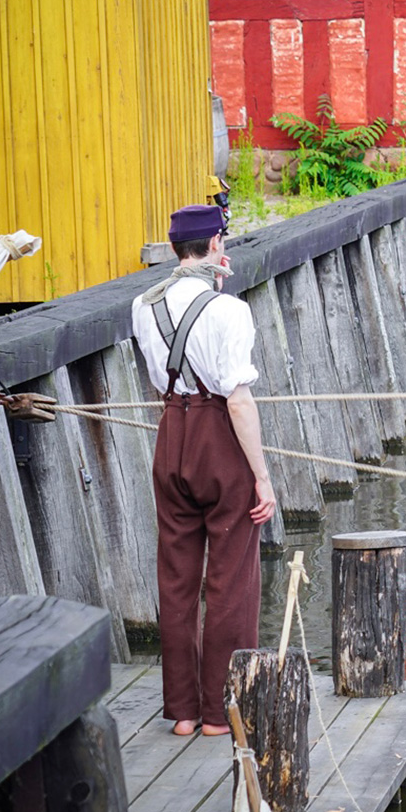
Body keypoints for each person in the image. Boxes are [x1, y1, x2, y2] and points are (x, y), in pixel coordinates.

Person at [129, 204, 278, 737]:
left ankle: (184, 713)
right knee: (231, 577)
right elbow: (237, 399)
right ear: (215, 244)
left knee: (176, 579)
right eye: (224, 240)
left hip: (171, 433)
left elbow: (159, 378)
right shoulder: (229, 310)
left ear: (176, 249)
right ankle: (220, 713)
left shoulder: (143, 305)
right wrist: (262, 476)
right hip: (218, 437)